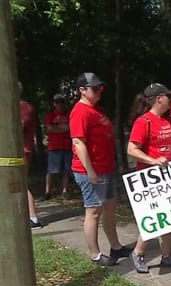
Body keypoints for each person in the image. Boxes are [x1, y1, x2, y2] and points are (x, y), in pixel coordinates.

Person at [127, 84, 171, 273]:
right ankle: (138, 253)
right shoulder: (144, 121)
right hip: (150, 179)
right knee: (153, 218)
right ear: (159, 99)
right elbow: (131, 149)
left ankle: (167, 256)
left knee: (169, 218)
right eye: (168, 96)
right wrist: (153, 161)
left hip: (169, 176)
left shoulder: (170, 121)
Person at [70, 72, 131, 265]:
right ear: (82, 90)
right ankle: (95, 254)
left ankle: (115, 247)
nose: (99, 92)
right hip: (92, 171)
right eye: (94, 89)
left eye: (100, 88)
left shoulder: (96, 110)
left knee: (110, 208)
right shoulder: (80, 112)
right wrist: (90, 171)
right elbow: (79, 143)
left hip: (107, 167)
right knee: (94, 212)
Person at [18, 81, 42, 228]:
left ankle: (33, 217)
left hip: (22, 151)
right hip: (14, 152)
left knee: (21, 183)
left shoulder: (25, 107)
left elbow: (18, 126)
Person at [43, 93, 72, 200]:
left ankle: (65, 190)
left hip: (66, 146)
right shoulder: (50, 115)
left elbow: (70, 128)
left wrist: (57, 128)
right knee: (51, 170)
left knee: (66, 170)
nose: (59, 104)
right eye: (57, 102)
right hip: (54, 146)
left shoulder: (68, 115)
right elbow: (49, 128)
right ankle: (47, 192)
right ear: (54, 103)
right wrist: (62, 128)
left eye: (61, 102)